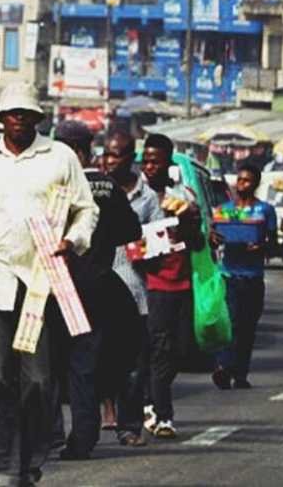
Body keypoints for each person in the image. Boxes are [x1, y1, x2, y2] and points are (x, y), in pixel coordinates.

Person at [0, 83, 98, 486]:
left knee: (39, 382)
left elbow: (86, 209)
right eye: (12, 114)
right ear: (2, 119)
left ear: (37, 119)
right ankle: (0, 466)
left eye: (26, 114)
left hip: (40, 285)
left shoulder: (59, 156)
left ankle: (29, 462)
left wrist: (72, 241)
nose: (19, 120)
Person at [51, 122, 142, 461]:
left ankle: (50, 435)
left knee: (47, 363)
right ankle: (83, 437)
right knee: (81, 365)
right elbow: (130, 230)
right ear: (86, 151)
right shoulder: (106, 186)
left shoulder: (47, 183)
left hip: (51, 286)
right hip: (95, 284)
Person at [138, 133, 204, 439]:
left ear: (168, 163)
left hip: (182, 281)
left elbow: (199, 241)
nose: (150, 167)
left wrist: (189, 221)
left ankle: (151, 399)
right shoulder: (135, 197)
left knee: (179, 349)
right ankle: (162, 414)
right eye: (146, 161)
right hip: (152, 284)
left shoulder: (183, 195)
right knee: (159, 349)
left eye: (156, 161)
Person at [101, 129, 164, 447]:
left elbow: (158, 241)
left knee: (133, 365)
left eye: (117, 155)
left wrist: (145, 249)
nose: (110, 161)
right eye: (107, 154)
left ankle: (130, 425)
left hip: (134, 290)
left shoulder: (148, 197)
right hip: (96, 287)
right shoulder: (94, 190)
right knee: (94, 358)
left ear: (130, 159)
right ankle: (102, 413)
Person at [209, 165, 278, 390]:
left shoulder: (265, 211)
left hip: (253, 277)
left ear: (256, 184)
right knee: (230, 322)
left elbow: (273, 243)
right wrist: (214, 238)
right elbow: (212, 238)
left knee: (247, 326)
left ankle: (240, 372)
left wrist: (260, 246)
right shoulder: (224, 210)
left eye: (247, 181)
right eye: (239, 180)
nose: (242, 185)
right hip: (229, 274)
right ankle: (223, 366)